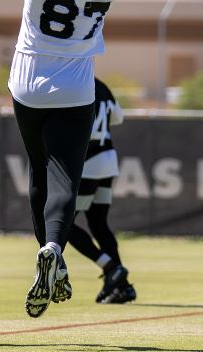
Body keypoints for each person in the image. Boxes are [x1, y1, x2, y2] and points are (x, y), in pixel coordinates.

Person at [4, 0, 137, 318]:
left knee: (38, 175)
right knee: (64, 180)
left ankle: (46, 248)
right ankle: (54, 249)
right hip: (76, 89)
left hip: (27, 82)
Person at [67, 78, 136, 304]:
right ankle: (123, 287)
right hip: (108, 160)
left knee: (65, 226)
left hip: (89, 163)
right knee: (98, 224)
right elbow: (118, 117)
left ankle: (110, 266)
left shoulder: (74, 82)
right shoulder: (102, 85)